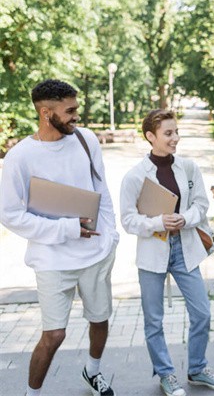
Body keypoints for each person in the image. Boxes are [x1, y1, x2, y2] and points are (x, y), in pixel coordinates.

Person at [0, 79, 119, 396]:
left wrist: (111, 235)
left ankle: (92, 373)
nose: (76, 116)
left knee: (100, 320)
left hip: (96, 253)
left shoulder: (85, 139)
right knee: (54, 335)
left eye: (76, 109)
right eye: (69, 111)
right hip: (52, 260)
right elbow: (10, 214)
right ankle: (32, 393)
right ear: (45, 112)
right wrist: (66, 228)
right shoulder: (19, 157)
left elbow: (101, 189)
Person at [120, 109, 214, 396]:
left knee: (202, 313)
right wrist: (158, 222)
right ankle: (166, 374)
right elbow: (128, 220)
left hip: (185, 247)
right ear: (150, 137)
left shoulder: (189, 167)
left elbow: (202, 205)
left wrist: (185, 218)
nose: (175, 138)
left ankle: (196, 369)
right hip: (152, 251)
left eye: (176, 132)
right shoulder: (135, 176)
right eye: (168, 133)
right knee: (153, 320)